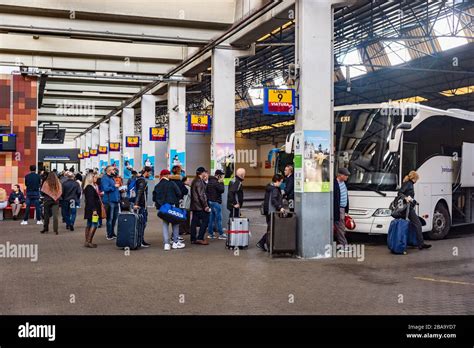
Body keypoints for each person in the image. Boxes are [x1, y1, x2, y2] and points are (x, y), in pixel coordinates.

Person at [153, 169, 185, 250]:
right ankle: (175, 242)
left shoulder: (157, 185)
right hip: (172, 206)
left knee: (165, 224)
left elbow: (154, 198)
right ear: (167, 175)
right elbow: (179, 193)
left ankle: (166, 244)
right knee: (175, 223)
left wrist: (161, 205)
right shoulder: (172, 183)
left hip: (163, 208)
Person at [399, 171, 431, 250]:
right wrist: (405, 198)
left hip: (407, 208)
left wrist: (414, 201)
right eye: (417, 179)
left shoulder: (409, 184)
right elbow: (400, 193)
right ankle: (421, 244)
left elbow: (408, 195)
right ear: (414, 178)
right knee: (418, 224)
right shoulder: (408, 184)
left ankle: (404, 242)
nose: (417, 181)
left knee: (406, 225)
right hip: (407, 209)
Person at [257, 174, 286, 251]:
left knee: (270, 229)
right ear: (277, 181)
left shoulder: (269, 187)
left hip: (268, 211)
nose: (281, 184)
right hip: (273, 212)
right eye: (281, 182)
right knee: (271, 229)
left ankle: (263, 243)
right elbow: (274, 200)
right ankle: (264, 244)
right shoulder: (274, 189)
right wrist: (280, 207)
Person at [190, 167, 211, 245]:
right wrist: (205, 206)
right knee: (206, 220)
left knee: (194, 222)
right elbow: (201, 195)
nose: (206, 173)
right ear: (202, 173)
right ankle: (200, 238)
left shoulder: (194, 181)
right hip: (200, 206)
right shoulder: (199, 182)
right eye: (205, 172)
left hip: (194, 206)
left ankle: (193, 239)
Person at [83, 173, 103, 248]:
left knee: (89, 224)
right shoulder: (90, 188)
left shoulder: (90, 187)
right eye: (95, 177)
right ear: (91, 178)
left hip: (90, 209)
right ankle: (89, 241)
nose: (96, 178)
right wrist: (94, 210)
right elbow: (91, 200)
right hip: (93, 209)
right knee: (94, 224)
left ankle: (87, 241)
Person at [134, 167, 152, 247]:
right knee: (142, 223)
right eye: (150, 172)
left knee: (141, 223)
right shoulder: (143, 180)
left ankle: (140, 240)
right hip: (141, 205)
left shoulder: (139, 179)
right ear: (146, 172)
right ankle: (140, 240)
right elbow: (140, 192)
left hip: (141, 204)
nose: (150, 174)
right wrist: (136, 204)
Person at [101, 165, 120, 240]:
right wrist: (114, 186)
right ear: (109, 171)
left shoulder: (112, 178)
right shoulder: (105, 178)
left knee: (114, 218)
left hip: (115, 201)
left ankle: (112, 233)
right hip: (109, 201)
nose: (114, 171)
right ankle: (109, 234)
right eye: (113, 170)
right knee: (110, 219)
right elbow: (106, 189)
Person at [169, 166, 188, 242]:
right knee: (177, 220)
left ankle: (174, 236)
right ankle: (175, 237)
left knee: (171, 220)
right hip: (178, 202)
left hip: (170, 202)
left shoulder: (169, 181)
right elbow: (185, 191)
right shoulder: (180, 182)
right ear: (179, 172)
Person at [206, 169, 226, 240]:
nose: (222, 177)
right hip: (216, 202)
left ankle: (211, 234)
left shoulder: (210, 181)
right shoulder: (216, 182)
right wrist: (222, 182)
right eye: (221, 175)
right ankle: (221, 234)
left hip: (210, 202)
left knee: (211, 219)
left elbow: (206, 192)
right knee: (219, 219)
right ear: (218, 175)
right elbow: (222, 190)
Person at [334, 167, 350, 246]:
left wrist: (346, 210)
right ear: (340, 175)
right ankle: (344, 245)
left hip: (342, 208)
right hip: (338, 209)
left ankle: (341, 244)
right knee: (340, 227)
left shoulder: (344, 183)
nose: (347, 177)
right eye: (346, 175)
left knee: (341, 227)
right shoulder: (334, 184)